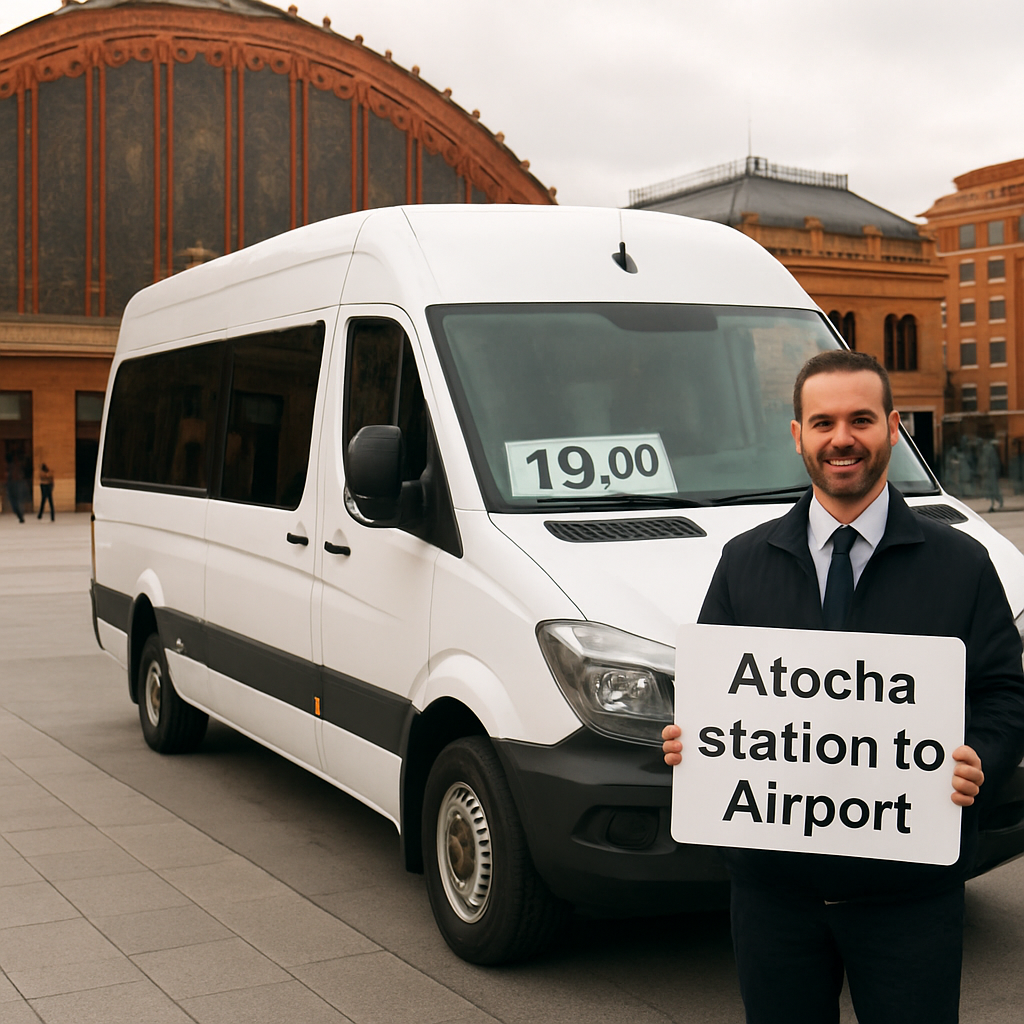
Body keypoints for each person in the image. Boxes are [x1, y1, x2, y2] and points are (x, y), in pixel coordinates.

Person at [663, 349, 1024, 1024]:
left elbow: (1005, 693)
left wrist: (983, 754)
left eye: (860, 419)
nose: (842, 439)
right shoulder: (744, 562)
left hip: (910, 900)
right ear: (798, 436)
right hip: (774, 902)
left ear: (892, 428)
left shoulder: (962, 564)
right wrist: (694, 742)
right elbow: (712, 693)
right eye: (823, 422)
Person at [4, 452, 25, 523]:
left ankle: (20, 514)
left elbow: (9, 476)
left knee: (14, 501)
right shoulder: (15, 466)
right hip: (16, 484)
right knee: (17, 501)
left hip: (13, 484)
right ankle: (20, 514)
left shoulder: (10, 467)